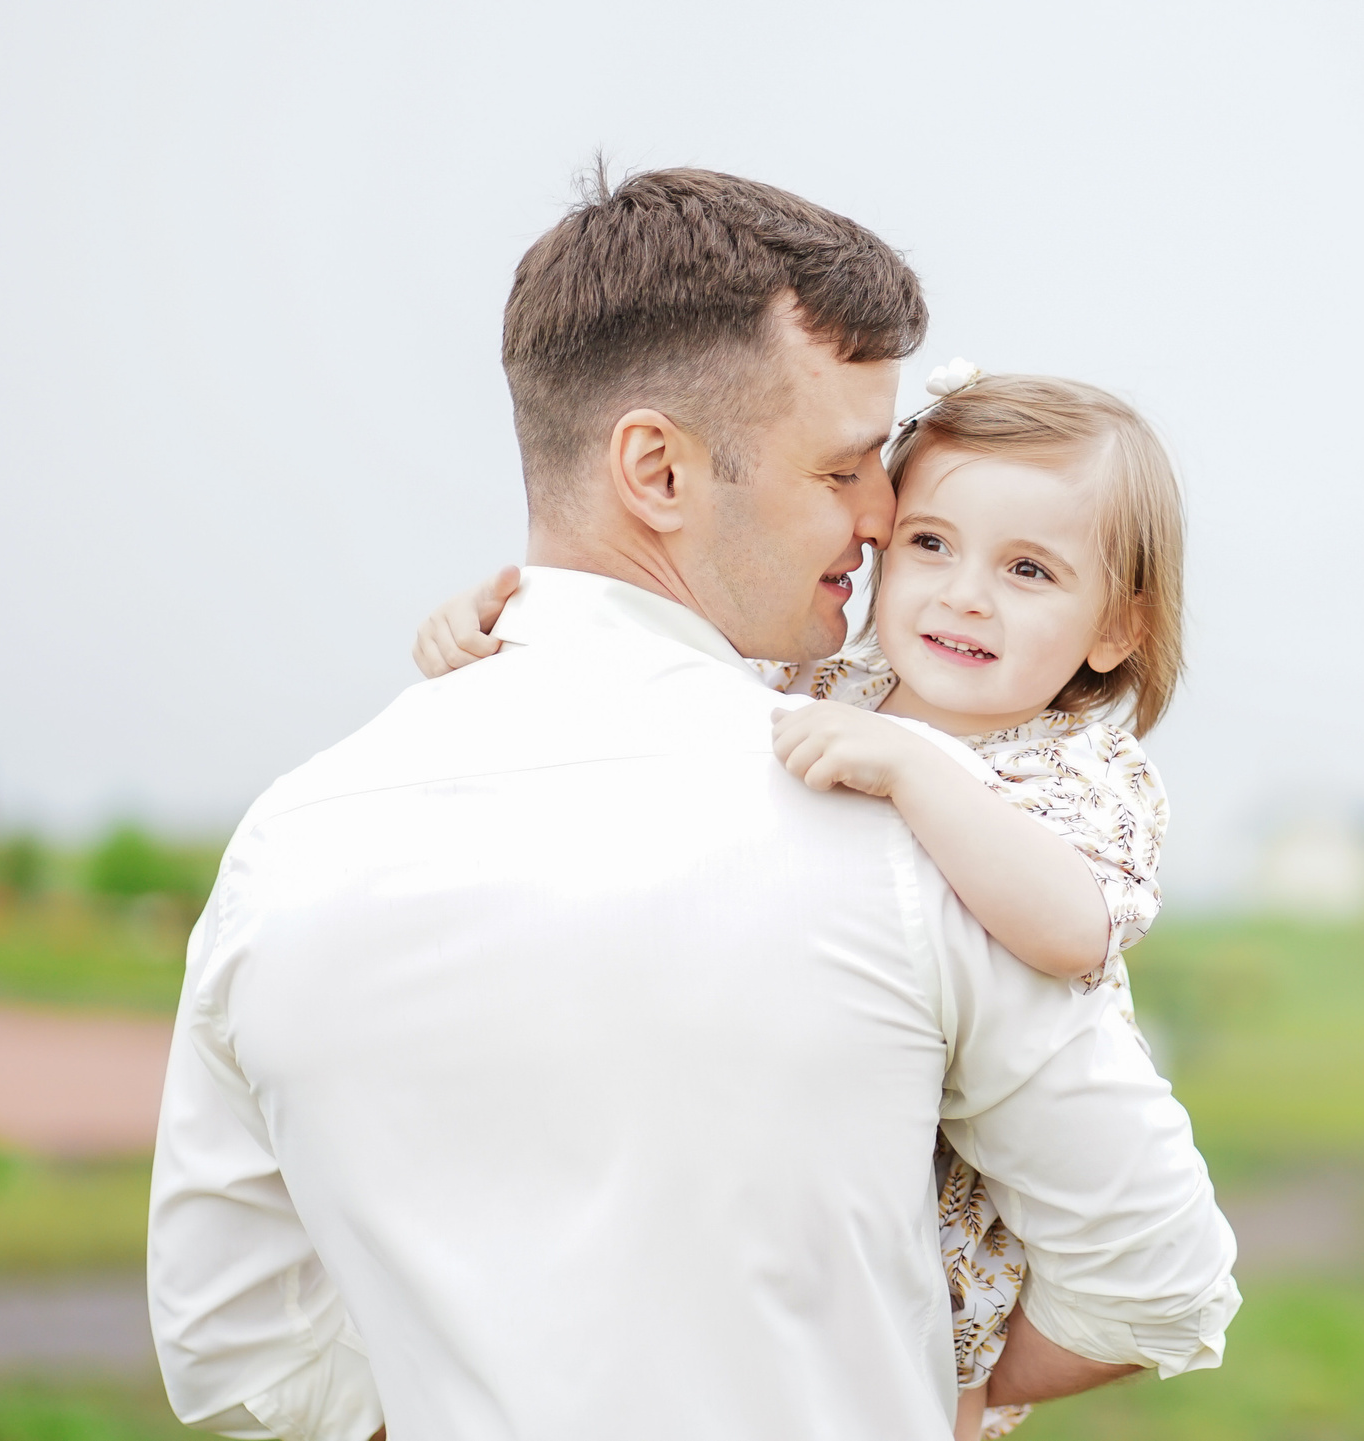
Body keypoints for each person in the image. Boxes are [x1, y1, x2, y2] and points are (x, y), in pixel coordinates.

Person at [147, 168, 1240, 1441]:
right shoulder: (895, 839)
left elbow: (239, 1354)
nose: (885, 519)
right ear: (656, 471)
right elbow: (1154, 1277)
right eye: (845, 470)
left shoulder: (289, 843)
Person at [412, 363, 1189, 1439]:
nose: (964, 592)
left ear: (1115, 631)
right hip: (786, 1167)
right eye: (928, 543)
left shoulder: (1076, 768)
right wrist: (496, 630)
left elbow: (1070, 932)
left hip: (941, 1240)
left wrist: (918, 774)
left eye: (1026, 569)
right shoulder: (821, 687)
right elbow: (648, 681)